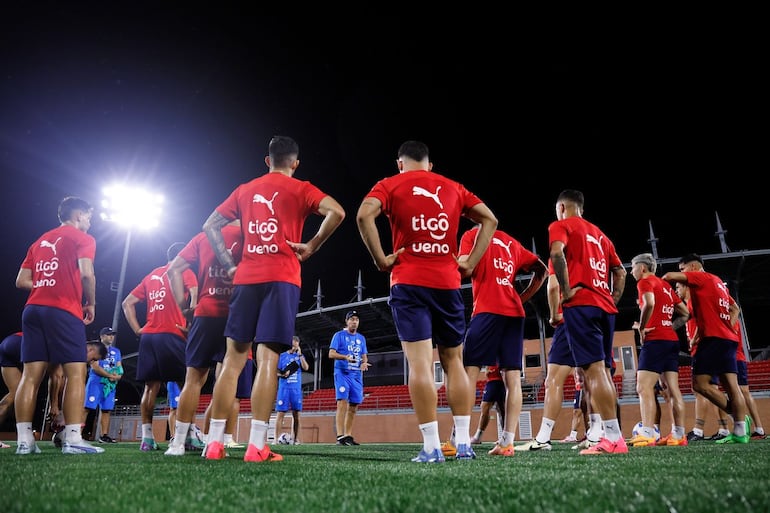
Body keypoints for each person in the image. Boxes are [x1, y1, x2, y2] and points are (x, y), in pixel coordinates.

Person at [201, 135, 345, 462]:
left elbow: (210, 225)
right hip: (281, 278)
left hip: (247, 278)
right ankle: (256, 446)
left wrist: (228, 264)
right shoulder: (302, 188)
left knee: (232, 362)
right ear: (295, 163)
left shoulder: (244, 189)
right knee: (267, 360)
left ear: (267, 160)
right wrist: (312, 245)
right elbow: (336, 212)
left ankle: (213, 444)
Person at [356, 140, 498, 463]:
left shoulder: (390, 185)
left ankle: (432, 447)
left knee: (420, 364)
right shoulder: (452, 187)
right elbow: (490, 219)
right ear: (430, 165)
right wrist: (470, 262)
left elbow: (364, 215)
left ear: (400, 163)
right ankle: (463, 443)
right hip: (447, 282)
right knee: (454, 362)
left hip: (408, 282)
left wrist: (380, 259)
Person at [13, 196, 104, 455]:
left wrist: (46, 284)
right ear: (79, 216)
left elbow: (21, 280)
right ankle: (73, 439)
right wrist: (91, 303)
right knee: (76, 372)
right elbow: (87, 273)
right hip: (64, 310)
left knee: (31, 377)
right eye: (88, 217)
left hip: (32, 311)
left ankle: (24, 442)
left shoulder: (39, 241)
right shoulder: (82, 238)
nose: (89, 222)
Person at [453, 224, 547, 458]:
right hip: (514, 312)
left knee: (469, 372)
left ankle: (460, 438)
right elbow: (542, 269)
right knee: (513, 377)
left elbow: (464, 268)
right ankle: (507, 442)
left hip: (487, 309)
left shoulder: (472, 235)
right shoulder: (511, 242)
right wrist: (522, 296)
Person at [546, 189, 627, 455]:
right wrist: (613, 298)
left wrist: (567, 291)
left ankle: (613, 439)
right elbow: (620, 271)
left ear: (561, 207)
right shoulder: (600, 234)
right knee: (601, 370)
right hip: (605, 307)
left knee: (594, 372)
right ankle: (610, 435)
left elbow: (557, 254)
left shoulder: (560, 225)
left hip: (582, 305)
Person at [163, 223, 243, 456]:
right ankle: (214, 443)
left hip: (205, 313)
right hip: (235, 314)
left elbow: (173, 270)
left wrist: (183, 307)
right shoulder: (248, 234)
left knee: (193, 380)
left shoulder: (202, 237)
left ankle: (177, 443)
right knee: (227, 378)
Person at [662, 253, 749, 444]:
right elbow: (735, 309)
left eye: (682, 269)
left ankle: (734, 413)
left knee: (699, 384)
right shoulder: (718, 281)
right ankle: (741, 431)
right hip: (728, 339)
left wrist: (654, 282)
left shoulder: (701, 277)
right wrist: (727, 326)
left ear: (692, 267)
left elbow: (668, 276)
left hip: (713, 340)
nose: (682, 273)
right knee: (731, 386)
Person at [122, 242, 198, 451]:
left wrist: (138, 330)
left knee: (149, 388)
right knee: (188, 385)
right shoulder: (184, 271)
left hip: (149, 337)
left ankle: (147, 439)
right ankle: (189, 436)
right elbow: (194, 293)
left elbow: (127, 303)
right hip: (173, 334)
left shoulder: (151, 275)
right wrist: (192, 323)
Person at [627, 253, 690, 447]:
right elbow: (685, 313)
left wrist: (642, 328)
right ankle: (679, 435)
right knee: (672, 390)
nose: (631, 271)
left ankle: (647, 433)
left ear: (643, 268)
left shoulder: (644, 282)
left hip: (655, 341)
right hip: (671, 341)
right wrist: (667, 327)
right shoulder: (665, 286)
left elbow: (649, 303)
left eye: (633, 267)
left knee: (643, 387)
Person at [674, 282, 731, 442]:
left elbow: (704, 320)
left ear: (686, 287)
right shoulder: (689, 304)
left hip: (703, 348)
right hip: (702, 349)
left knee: (703, 389)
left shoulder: (695, 301)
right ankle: (724, 428)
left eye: (678, 287)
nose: (676, 290)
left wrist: (695, 339)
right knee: (710, 390)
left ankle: (699, 431)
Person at [329, 312, 369, 446]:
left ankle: (348, 435)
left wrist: (364, 363)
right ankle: (340, 436)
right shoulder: (339, 336)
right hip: (342, 373)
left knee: (354, 405)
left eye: (357, 319)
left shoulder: (361, 338)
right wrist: (345, 357)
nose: (355, 322)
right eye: (352, 319)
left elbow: (364, 355)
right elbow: (331, 353)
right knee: (342, 402)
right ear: (346, 321)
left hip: (356, 375)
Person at [83, 326, 123, 443]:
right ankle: (77, 433)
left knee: (106, 409)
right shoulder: (95, 348)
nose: (111, 337)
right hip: (96, 382)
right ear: (102, 336)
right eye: (108, 334)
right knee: (87, 407)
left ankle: (104, 435)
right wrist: (110, 375)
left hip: (110, 385)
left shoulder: (116, 351)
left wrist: (118, 376)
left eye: (112, 335)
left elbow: (119, 366)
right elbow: (95, 367)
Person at [275, 335, 309, 444]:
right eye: (293, 342)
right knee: (280, 414)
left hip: (296, 389)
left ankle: (295, 439)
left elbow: (306, 367)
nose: (295, 343)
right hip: (284, 388)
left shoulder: (299, 357)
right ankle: (276, 439)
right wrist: (283, 374)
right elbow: (275, 371)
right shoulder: (282, 356)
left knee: (297, 414)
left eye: (297, 342)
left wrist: (300, 355)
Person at [469, 365, 505, 445]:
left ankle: (505, 437)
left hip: (500, 379)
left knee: (501, 409)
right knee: (488, 408)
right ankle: (478, 437)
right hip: (492, 380)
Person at [0, 332, 24, 430]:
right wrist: (54, 405)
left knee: (14, 394)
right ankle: (25, 437)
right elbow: (56, 376)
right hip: (23, 343)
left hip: (9, 341)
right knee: (29, 387)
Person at [561, 368, 589, 443]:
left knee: (577, 411)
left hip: (582, 387)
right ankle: (588, 434)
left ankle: (573, 435)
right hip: (580, 387)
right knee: (584, 411)